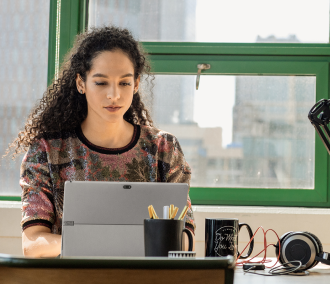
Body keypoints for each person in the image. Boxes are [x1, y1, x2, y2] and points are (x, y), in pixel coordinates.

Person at [6, 26, 195, 257]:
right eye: (101, 82)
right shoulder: (47, 150)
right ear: (81, 83)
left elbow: (184, 238)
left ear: (136, 84)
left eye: (124, 83)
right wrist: (104, 241)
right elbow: (33, 244)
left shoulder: (163, 149)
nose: (114, 95)